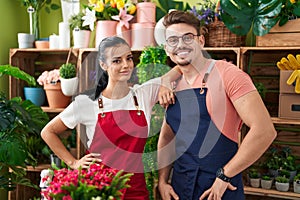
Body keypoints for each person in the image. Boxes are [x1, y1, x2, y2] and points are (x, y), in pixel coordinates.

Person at [41, 36, 180, 199]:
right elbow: (48, 132)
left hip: (136, 190)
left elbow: (179, 69)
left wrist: (164, 84)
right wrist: (74, 163)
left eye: (128, 58)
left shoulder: (142, 94)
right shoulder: (87, 103)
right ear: (103, 65)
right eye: (117, 61)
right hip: (99, 191)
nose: (126, 65)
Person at [157, 10, 277, 200]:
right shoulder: (172, 84)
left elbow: (264, 131)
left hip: (219, 188)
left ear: (201, 41)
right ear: (166, 48)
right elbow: (167, 137)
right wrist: (162, 181)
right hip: (180, 188)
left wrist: (225, 175)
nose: (180, 45)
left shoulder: (227, 74)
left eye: (188, 38)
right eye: (173, 40)